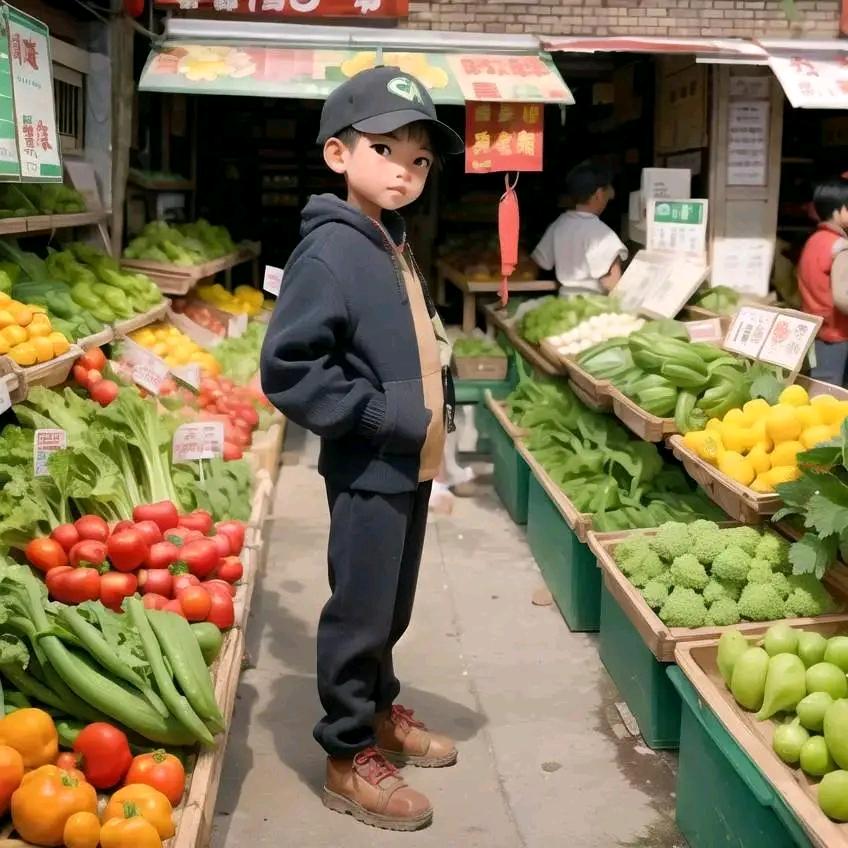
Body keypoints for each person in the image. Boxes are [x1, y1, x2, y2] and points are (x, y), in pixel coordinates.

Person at [260, 66, 463, 832]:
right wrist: (382, 418)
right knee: (360, 611)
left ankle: (379, 712)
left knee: (392, 605)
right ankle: (347, 757)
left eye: (418, 160)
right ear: (339, 155)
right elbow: (290, 368)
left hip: (408, 463)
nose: (405, 173)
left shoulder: (391, 241)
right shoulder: (331, 253)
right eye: (386, 151)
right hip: (372, 462)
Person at [531, 161, 628, 295]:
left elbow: (540, 261)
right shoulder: (602, 234)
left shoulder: (559, 225)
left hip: (563, 303)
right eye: (608, 189)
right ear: (599, 194)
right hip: (592, 307)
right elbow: (611, 281)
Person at [798, 176, 848, 386]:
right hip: (836, 335)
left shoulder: (814, 241)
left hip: (814, 331)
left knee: (818, 388)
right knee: (834, 395)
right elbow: (842, 297)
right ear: (839, 211)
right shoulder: (840, 247)